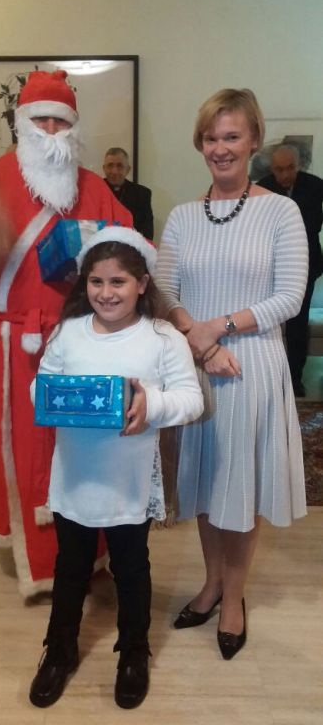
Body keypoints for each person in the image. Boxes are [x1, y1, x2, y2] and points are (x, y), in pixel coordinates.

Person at [0, 70, 133, 599]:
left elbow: (129, 249)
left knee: (81, 451)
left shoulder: (95, 188)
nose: (52, 131)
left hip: (80, 342)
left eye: (61, 121)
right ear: (22, 124)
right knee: (18, 450)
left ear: (74, 127)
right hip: (9, 345)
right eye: (42, 121)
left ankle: (87, 552)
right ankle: (32, 556)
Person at [156, 89, 308, 660]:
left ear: (253, 141)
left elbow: (289, 297)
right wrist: (198, 342)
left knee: (238, 486)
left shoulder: (281, 212)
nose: (220, 148)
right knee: (203, 481)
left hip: (251, 366)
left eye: (231, 137)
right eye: (210, 138)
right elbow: (164, 291)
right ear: (200, 143)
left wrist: (215, 329)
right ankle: (211, 582)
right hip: (196, 367)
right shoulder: (182, 216)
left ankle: (234, 598)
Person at [28, 226, 203, 709]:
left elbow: (189, 399)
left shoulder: (162, 338)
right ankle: (59, 650)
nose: (106, 293)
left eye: (118, 282)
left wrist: (152, 405)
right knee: (71, 565)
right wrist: (58, 398)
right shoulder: (69, 332)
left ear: (142, 283)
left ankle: (133, 652)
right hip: (76, 474)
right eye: (96, 282)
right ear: (84, 283)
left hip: (129, 478)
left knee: (131, 567)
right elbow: (41, 385)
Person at [257, 143, 323, 396]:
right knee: (267, 319)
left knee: (298, 323)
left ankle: (294, 379)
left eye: (290, 168)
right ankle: (270, 376)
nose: (285, 175)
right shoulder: (262, 189)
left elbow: (314, 225)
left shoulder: (315, 186)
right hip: (269, 266)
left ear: (299, 165)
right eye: (279, 169)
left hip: (306, 264)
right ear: (271, 169)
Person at [103, 148, 154, 239]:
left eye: (120, 166)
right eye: (110, 165)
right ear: (104, 168)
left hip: (131, 244)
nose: (114, 171)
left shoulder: (142, 194)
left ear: (128, 169)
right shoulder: (94, 191)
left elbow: (147, 233)